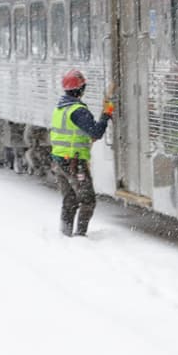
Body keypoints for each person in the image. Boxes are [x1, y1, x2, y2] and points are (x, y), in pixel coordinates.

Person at [50, 69, 114, 237]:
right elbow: (96, 132)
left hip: (59, 161)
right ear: (80, 89)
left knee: (70, 199)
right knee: (88, 200)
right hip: (74, 163)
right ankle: (80, 236)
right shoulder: (78, 110)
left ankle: (65, 233)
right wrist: (106, 114)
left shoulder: (60, 108)